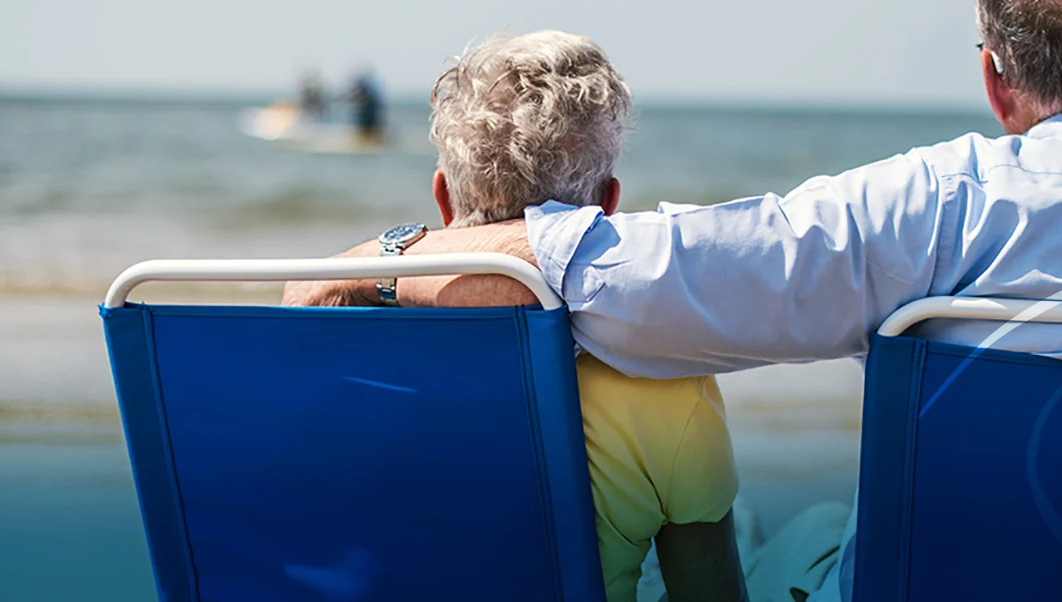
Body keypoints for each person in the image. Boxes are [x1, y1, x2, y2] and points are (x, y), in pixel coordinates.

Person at [286, 0, 1062, 596]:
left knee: (802, 534)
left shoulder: (936, 206)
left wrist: (384, 255)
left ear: (996, 79)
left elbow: (624, 282)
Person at [285, 32, 747, 602]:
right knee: (808, 530)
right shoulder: (662, 382)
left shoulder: (340, 375)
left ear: (443, 199)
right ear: (606, 208)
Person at [347, 68, 385, 145]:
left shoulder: (366, 88)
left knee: (367, 131)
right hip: (369, 113)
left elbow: (359, 97)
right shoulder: (371, 88)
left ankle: (368, 143)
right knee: (369, 131)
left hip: (368, 113)